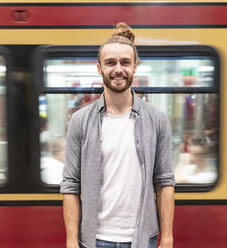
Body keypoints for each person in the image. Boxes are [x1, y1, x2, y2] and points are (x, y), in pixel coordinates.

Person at [60, 23, 175, 248]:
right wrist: (71, 240)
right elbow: (71, 184)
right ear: (99, 68)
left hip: (142, 238)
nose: (118, 69)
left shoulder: (156, 119)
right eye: (110, 62)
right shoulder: (80, 121)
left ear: (135, 66)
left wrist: (168, 237)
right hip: (96, 239)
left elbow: (165, 182)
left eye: (125, 62)